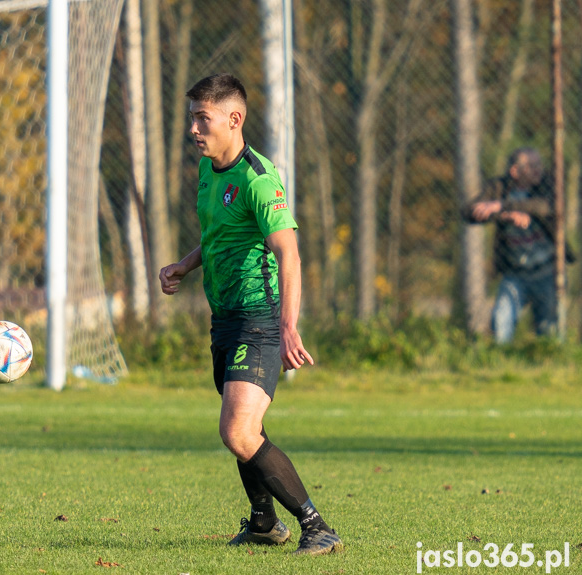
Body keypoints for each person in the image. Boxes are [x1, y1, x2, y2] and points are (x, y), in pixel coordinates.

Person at [158, 73, 342, 556]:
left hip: (259, 318)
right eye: (192, 117)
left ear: (233, 119)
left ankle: (316, 525)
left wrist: (287, 327)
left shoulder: (258, 179)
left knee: (238, 432)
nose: (194, 128)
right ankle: (264, 523)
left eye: (204, 118)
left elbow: (290, 254)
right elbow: (222, 236)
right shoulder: (208, 170)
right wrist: (185, 263)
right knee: (244, 431)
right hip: (225, 317)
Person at [463, 147, 569, 342]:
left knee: (549, 327)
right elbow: (469, 212)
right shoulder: (498, 187)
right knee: (501, 319)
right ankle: (502, 364)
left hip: (547, 270)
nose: (538, 170)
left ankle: (550, 360)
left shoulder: (546, 186)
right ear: (515, 171)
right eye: (531, 166)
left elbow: (544, 207)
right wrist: (506, 215)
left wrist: (504, 205)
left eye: (539, 164)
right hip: (515, 274)